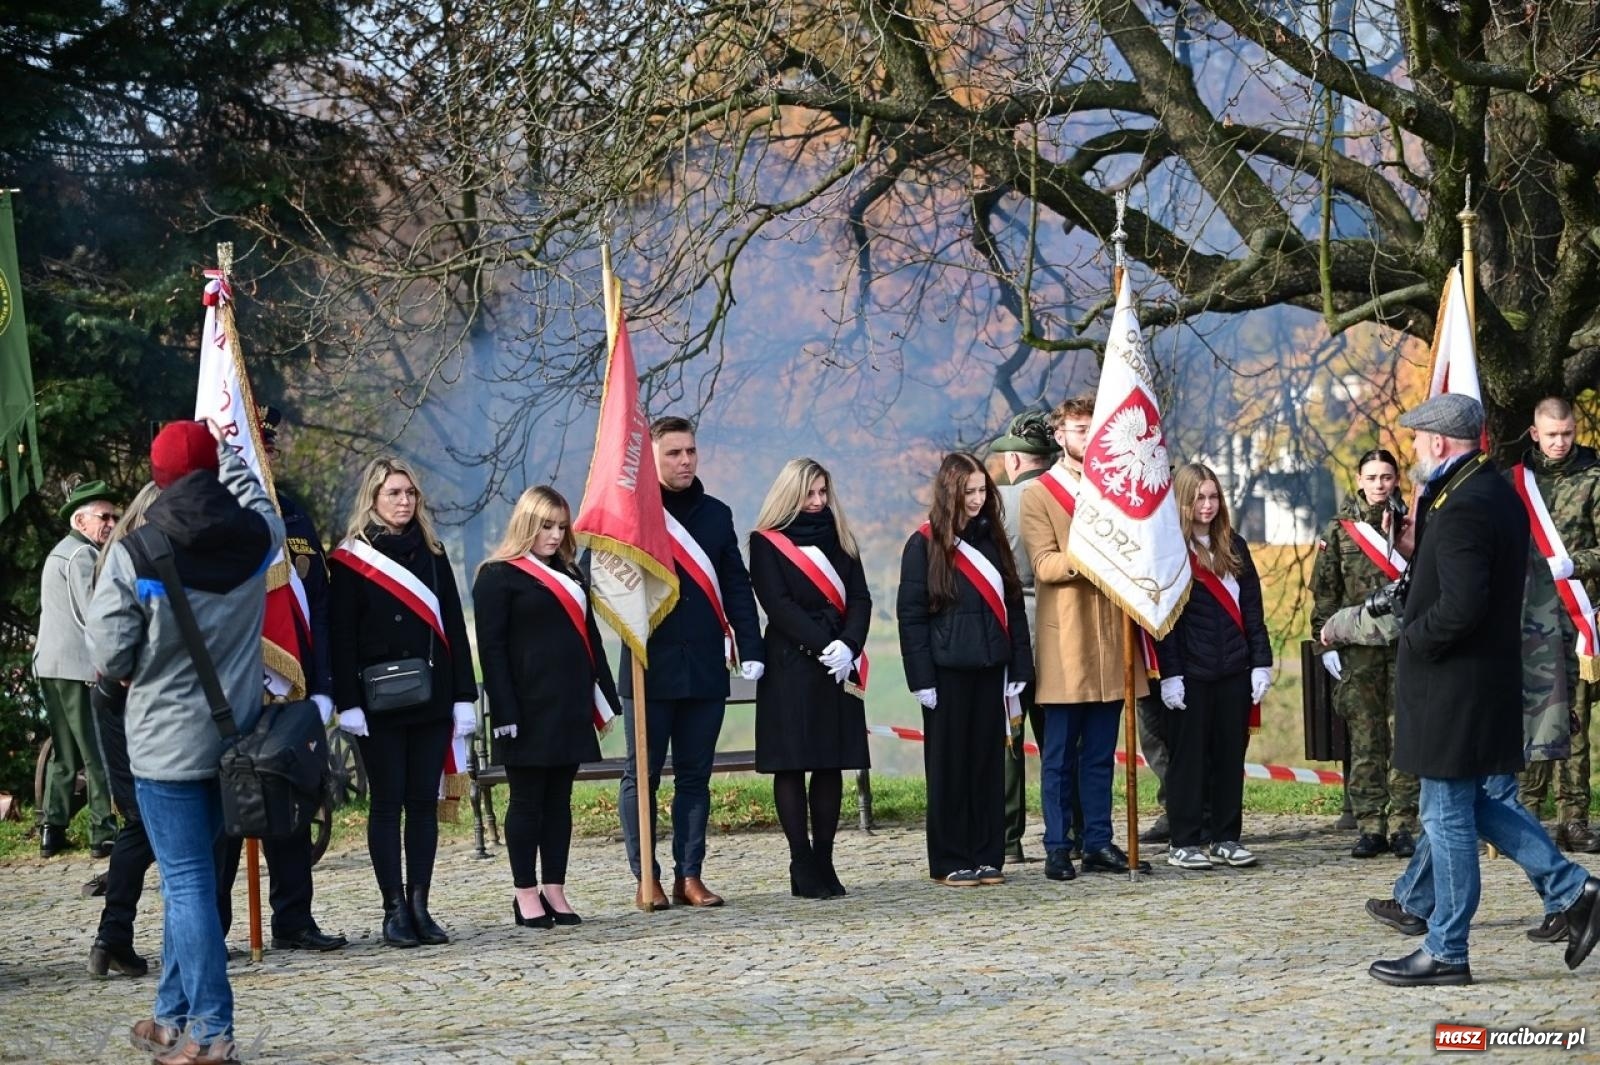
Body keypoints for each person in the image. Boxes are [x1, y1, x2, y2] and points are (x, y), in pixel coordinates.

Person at [1365, 393, 1600, 986]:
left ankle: (1447, 949)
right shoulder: (1489, 490)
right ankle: (1575, 890)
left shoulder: (1466, 502)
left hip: (1455, 683)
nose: (1415, 448)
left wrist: (1414, 638)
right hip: (1480, 680)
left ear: (1440, 442)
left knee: (1446, 816)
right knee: (1480, 805)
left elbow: (1463, 604)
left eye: (1419, 439)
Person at [87, 419, 283, 1064]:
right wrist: (228, 453)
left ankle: (212, 1031)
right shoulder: (257, 539)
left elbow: (112, 652)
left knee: (189, 886)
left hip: (164, 746)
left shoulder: (137, 551)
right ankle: (170, 1017)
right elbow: (257, 499)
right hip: (237, 744)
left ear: (158, 478)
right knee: (196, 882)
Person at [617, 416, 764, 910]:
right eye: (673, 454)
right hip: (648, 665)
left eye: (690, 452)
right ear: (653, 459)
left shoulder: (717, 515)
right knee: (643, 777)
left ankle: (689, 875)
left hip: (703, 666)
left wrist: (752, 645)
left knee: (695, 777)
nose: (684, 461)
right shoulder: (632, 516)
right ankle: (647, 878)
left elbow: (737, 587)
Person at [330, 457, 477, 947]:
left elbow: (453, 626)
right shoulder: (350, 559)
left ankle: (420, 905)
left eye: (410, 493)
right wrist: (347, 703)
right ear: (372, 498)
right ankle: (392, 908)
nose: (403, 501)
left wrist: (463, 695)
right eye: (393, 493)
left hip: (430, 698)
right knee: (387, 804)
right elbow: (341, 637)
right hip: (377, 704)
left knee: (422, 802)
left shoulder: (433, 554)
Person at [215, 407, 347, 952]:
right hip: (228, 691)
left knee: (292, 805)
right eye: (250, 447)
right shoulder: (213, 525)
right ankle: (213, 929)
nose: (259, 456)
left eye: (265, 447)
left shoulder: (291, 518)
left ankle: (294, 921)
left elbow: (317, 606)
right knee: (224, 820)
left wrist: (322, 684)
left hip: (290, 688)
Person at [473, 486, 620, 928]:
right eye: (546, 526)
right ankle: (525, 893)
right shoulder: (497, 575)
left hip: (569, 704)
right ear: (527, 525)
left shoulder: (572, 574)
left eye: (560, 527)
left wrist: (606, 698)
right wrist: (506, 712)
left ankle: (555, 887)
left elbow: (591, 639)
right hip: (525, 708)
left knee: (560, 802)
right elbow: (492, 650)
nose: (555, 536)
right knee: (527, 801)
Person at [1020, 397, 1150, 880]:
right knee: (1057, 757)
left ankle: (1098, 840)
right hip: (1066, 644)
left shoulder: (1115, 488)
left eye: (1094, 429)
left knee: (1100, 755)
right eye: (1078, 429)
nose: (1087, 437)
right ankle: (1058, 845)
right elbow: (1045, 565)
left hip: (1113, 642)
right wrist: (1092, 554)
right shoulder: (1040, 493)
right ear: (1060, 435)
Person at [897, 452, 1033, 887]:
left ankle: (987, 854)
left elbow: (1013, 605)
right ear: (949, 492)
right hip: (946, 674)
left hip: (991, 668)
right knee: (949, 768)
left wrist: (1019, 665)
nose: (976, 500)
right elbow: (911, 617)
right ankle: (949, 858)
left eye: (981, 491)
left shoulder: (993, 540)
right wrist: (921, 679)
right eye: (968, 492)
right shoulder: (923, 545)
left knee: (986, 766)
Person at [749, 458, 872, 898]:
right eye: (810, 493)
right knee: (792, 763)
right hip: (791, 665)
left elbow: (860, 597)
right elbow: (778, 605)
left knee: (829, 761)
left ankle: (825, 858)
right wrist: (823, 645)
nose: (819, 501)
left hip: (838, 665)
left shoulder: (841, 538)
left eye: (823, 492)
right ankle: (800, 860)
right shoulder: (765, 543)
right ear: (791, 495)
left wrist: (849, 645)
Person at [1156, 462, 1273, 871]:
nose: (1207, 505)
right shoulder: (1171, 550)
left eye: (1213, 496)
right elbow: (1165, 620)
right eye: (1198, 498)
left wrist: (1261, 663)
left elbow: (1253, 611)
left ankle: (1227, 837)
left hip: (1234, 671)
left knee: (1229, 757)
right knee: (1188, 761)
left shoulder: (1234, 546)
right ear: (1184, 502)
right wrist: (1169, 673)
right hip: (1190, 673)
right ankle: (1184, 840)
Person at [1310, 447, 1419, 859]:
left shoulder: (1410, 527)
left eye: (1387, 477)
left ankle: (1404, 823)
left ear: (1396, 480)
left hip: (1405, 646)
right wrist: (1325, 643)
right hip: (1358, 649)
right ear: (1359, 480)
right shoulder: (1339, 530)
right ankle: (1371, 823)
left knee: (1405, 733)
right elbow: (1325, 594)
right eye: (1372, 478)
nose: (1379, 485)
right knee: (1366, 736)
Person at [1511, 397, 1600, 854]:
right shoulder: (1516, 482)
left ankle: (1574, 820)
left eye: (1567, 433)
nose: (1561, 442)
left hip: (1577, 613)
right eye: (1552, 435)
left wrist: (1573, 563)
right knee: (1533, 716)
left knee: (1576, 719)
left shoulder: (1594, 477)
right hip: (1528, 619)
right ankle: (1524, 816)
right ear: (1535, 433)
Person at [86, 482, 159, 980]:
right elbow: (108, 638)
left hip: (138, 695)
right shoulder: (130, 557)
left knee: (145, 822)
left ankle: (114, 937)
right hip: (126, 696)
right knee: (144, 821)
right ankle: (112, 936)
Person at [34, 478, 121, 858]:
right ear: (80, 521)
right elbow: (92, 617)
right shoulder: (82, 556)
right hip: (78, 668)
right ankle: (103, 832)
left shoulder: (60, 552)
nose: (112, 523)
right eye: (104, 516)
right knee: (96, 752)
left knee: (64, 754)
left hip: (50, 665)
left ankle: (51, 830)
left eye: (114, 516)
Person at [989, 411, 1056, 864]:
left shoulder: (995, 505)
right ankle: (1065, 831)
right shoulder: (1067, 498)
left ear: (1013, 460)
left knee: (1010, 744)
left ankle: (1008, 839)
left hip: (1011, 633)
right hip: (1057, 632)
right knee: (1058, 741)